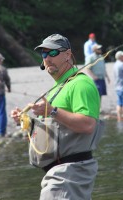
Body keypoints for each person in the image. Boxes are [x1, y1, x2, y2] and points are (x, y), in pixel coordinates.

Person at [11, 34, 102, 200]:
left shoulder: (81, 84)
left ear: (67, 55)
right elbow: (54, 130)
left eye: (52, 53)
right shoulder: (57, 88)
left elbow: (88, 125)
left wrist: (52, 110)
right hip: (58, 174)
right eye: (44, 54)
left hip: (70, 173)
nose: (47, 58)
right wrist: (27, 123)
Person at [86, 44, 110, 111]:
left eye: (100, 48)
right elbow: (87, 68)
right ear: (94, 50)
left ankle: (99, 108)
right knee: (96, 94)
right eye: (98, 49)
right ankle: (94, 108)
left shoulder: (101, 57)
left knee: (101, 94)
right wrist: (93, 76)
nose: (100, 50)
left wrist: (107, 77)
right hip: (95, 80)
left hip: (102, 78)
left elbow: (104, 68)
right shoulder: (91, 57)